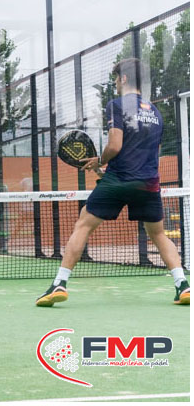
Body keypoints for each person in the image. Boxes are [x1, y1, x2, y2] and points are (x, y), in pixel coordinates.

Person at [37, 58, 190, 306]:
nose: (116, 84)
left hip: (118, 180)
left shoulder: (116, 105)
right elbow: (151, 152)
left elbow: (115, 145)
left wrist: (99, 161)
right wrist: (110, 168)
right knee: (158, 234)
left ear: (124, 78)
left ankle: (59, 284)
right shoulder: (155, 112)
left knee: (83, 225)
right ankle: (183, 285)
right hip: (148, 182)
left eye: (117, 79)